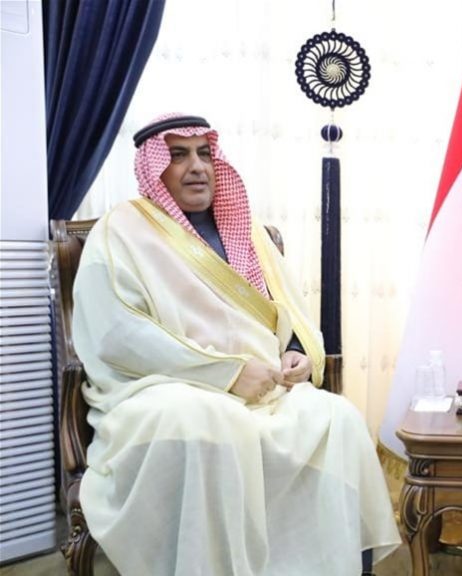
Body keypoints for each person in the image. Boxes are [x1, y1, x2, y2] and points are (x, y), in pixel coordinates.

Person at [73, 113, 400, 575]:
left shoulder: (247, 231)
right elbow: (117, 334)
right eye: (178, 155)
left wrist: (294, 351)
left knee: (338, 418)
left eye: (204, 153)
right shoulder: (121, 230)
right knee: (209, 421)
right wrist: (225, 373)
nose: (197, 166)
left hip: (265, 390)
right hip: (162, 388)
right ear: (153, 167)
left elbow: (285, 309)